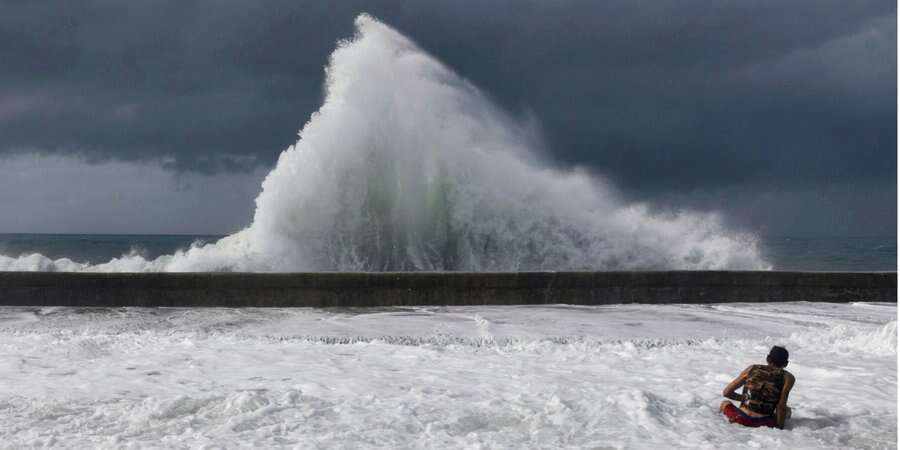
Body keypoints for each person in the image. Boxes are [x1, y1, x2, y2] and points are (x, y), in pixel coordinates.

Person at [719, 346, 795, 429]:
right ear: (786, 363)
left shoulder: (752, 369)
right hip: (764, 423)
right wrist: (780, 428)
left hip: (740, 418)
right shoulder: (788, 378)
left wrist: (746, 399)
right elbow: (781, 406)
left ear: (768, 358)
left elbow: (726, 392)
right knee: (787, 411)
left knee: (725, 403)